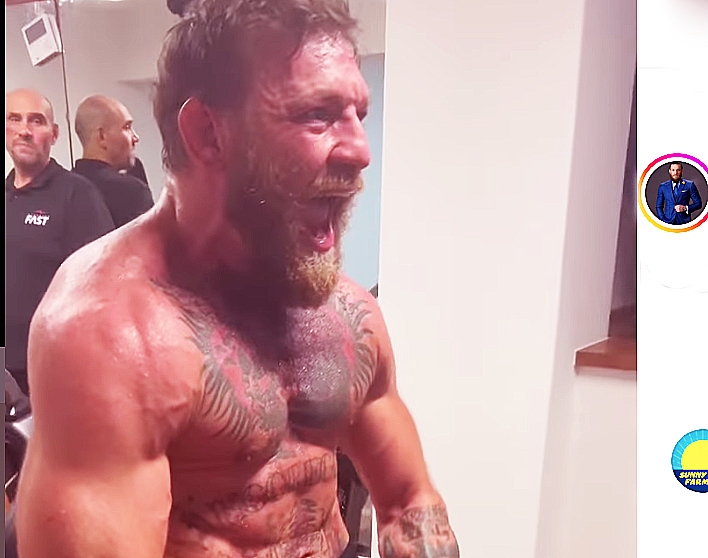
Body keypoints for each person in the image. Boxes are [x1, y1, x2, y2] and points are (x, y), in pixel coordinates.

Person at [15, 1, 460, 557]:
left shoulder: (346, 315)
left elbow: (408, 501)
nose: (361, 150)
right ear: (209, 134)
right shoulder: (109, 336)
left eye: (358, 115)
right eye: (317, 114)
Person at [4, 89, 115, 396]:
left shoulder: (77, 195)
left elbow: (103, 288)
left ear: (53, 134)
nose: (25, 130)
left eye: (36, 121)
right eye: (15, 119)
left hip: (51, 372)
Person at [73, 95, 155, 227]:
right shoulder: (132, 192)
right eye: (127, 127)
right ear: (102, 136)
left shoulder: (63, 191)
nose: (135, 137)